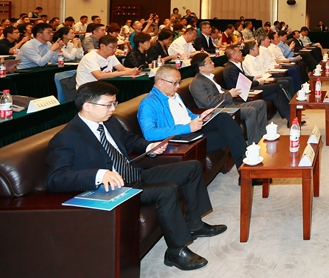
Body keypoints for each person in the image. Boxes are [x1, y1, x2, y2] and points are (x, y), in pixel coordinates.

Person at [46, 81, 225, 271]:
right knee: (167, 190)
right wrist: (98, 175)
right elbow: (55, 179)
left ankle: (195, 225)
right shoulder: (66, 137)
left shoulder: (110, 122)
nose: (112, 109)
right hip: (116, 188)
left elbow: (130, 141)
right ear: (87, 106)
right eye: (108, 105)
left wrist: (149, 146)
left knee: (192, 167)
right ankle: (175, 251)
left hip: (135, 173)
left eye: (114, 104)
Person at [138, 66, 246, 167]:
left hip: (191, 128)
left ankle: (245, 165)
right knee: (231, 134)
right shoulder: (148, 103)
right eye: (174, 83)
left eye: (179, 82)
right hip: (180, 136)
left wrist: (200, 117)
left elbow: (188, 114)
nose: (178, 86)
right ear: (160, 82)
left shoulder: (175, 95)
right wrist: (188, 127)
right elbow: (149, 133)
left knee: (224, 118)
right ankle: (245, 167)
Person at [189, 54, 269, 144]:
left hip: (229, 104)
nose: (213, 63)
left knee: (261, 104)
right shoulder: (197, 83)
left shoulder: (210, 77)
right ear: (201, 68)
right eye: (210, 62)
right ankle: (254, 143)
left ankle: (262, 136)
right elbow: (208, 102)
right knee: (251, 111)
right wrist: (229, 94)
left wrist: (233, 91)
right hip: (220, 110)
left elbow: (221, 92)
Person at [223, 46, 296, 127]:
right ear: (233, 55)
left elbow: (243, 78)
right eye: (239, 52)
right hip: (244, 93)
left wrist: (253, 78)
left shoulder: (234, 65)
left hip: (247, 89)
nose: (241, 53)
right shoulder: (231, 68)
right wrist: (258, 82)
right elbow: (243, 84)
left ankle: (290, 118)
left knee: (275, 96)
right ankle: (292, 111)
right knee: (276, 86)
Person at [76, 35, 140, 87]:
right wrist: (125, 73)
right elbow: (99, 76)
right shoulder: (90, 57)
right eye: (112, 47)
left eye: (116, 47)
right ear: (102, 46)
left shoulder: (111, 56)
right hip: (87, 89)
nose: (114, 50)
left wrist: (134, 70)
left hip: (103, 87)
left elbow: (122, 69)